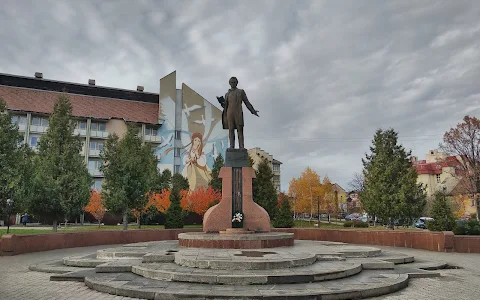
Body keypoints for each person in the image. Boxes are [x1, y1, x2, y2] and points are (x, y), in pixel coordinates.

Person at [221, 77, 259, 149]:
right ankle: (232, 146)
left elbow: (246, 102)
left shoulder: (241, 91)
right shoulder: (227, 94)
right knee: (231, 129)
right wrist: (222, 103)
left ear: (237, 83)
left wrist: (252, 110)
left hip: (238, 112)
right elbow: (225, 106)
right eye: (231, 82)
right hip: (229, 113)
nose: (233, 83)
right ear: (229, 83)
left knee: (240, 129)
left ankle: (241, 146)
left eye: (234, 82)